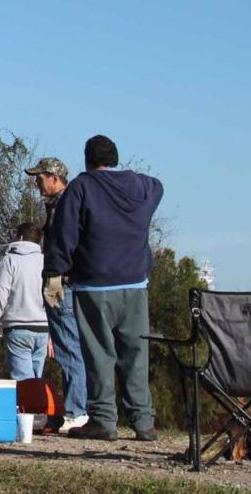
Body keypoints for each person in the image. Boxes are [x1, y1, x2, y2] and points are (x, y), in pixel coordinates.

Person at [43, 134, 164, 442]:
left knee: (99, 355)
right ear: (115, 158)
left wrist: (54, 275)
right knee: (136, 353)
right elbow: (157, 186)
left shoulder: (82, 188)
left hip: (94, 285)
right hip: (136, 284)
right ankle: (144, 422)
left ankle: (103, 420)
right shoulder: (141, 186)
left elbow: (63, 235)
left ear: (87, 160)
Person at [26, 156, 90, 433]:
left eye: (40, 178)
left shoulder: (64, 206)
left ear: (54, 177)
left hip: (60, 284)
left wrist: (52, 287)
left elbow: (62, 250)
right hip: (63, 284)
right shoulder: (60, 205)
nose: (37, 184)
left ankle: (77, 411)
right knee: (68, 345)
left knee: (68, 346)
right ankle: (75, 409)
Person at [0, 222, 50, 381]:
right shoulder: (46, 261)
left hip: (18, 328)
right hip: (44, 328)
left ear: (19, 237)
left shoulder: (9, 261)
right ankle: (36, 406)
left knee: (24, 383)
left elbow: (0, 294)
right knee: (36, 381)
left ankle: (28, 406)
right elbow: (54, 295)